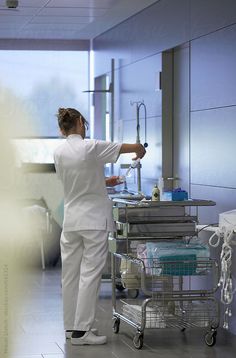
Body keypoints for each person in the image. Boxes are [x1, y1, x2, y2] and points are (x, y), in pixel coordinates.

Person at [54, 107, 146, 346]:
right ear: (79, 124)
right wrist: (139, 148)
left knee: (70, 275)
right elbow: (123, 147)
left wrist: (105, 180)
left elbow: (77, 178)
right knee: (90, 275)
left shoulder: (59, 152)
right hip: (93, 221)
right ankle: (82, 332)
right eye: (83, 124)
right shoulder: (90, 146)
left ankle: (71, 327)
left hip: (71, 220)